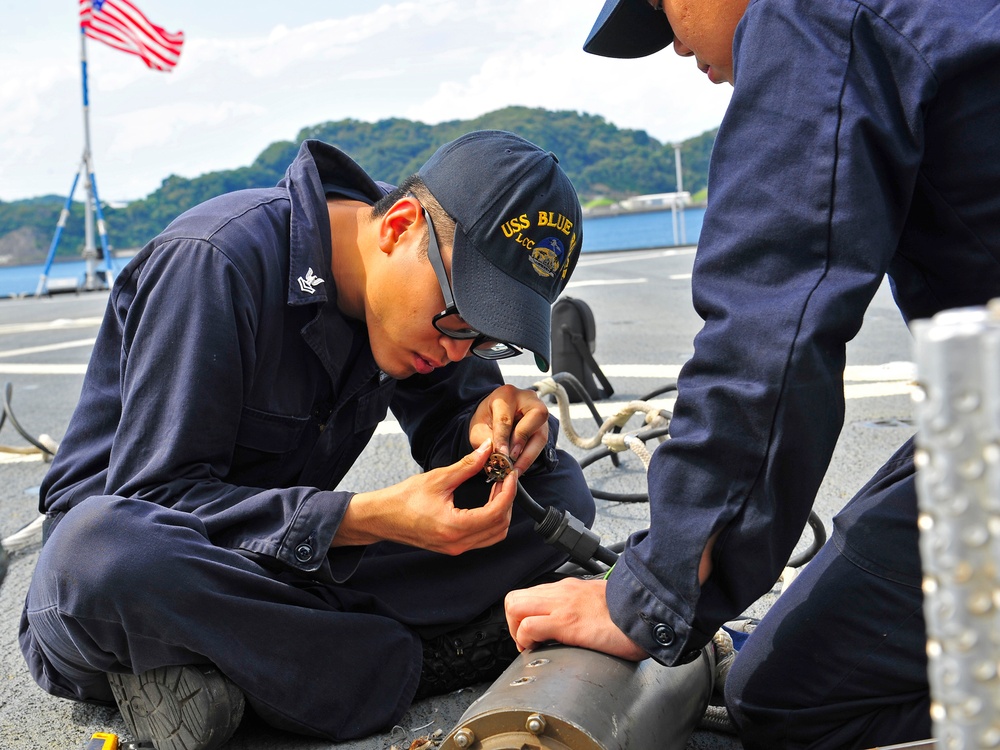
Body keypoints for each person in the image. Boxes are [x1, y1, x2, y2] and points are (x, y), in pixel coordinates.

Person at [504, 0, 1000, 747]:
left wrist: (646, 598)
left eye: (662, 11)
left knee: (794, 693)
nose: (672, 46)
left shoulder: (809, 14)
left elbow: (770, 327)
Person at [19, 130, 595, 749]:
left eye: (490, 337)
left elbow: (454, 426)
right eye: (460, 318)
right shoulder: (215, 262)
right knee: (101, 554)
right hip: (150, 567)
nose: (459, 348)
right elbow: (156, 501)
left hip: (277, 571)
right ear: (399, 225)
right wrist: (363, 519)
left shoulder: (427, 300)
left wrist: (492, 430)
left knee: (553, 494)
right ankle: (413, 661)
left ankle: (241, 666)